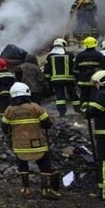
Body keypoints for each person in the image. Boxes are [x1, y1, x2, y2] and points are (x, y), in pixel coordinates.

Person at [1, 82, 61, 199]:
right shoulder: (35, 107)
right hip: (37, 143)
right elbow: (46, 124)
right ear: (27, 93)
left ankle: (26, 189)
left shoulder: (9, 110)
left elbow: (4, 127)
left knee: (22, 164)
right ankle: (46, 190)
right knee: (44, 164)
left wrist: (10, 136)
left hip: (20, 144)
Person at [43, 38, 80, 117]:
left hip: (56, 80)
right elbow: (75, 66)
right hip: (69, 79)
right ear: (63, 45)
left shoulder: (49, 56)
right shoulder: (70, 54)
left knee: (59, 96)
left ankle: (62, 113)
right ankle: (78, 110)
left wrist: (48, 79)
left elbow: (46, 69)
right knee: (73, 94)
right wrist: (76, 77)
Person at [83, 70, 105, 200]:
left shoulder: (102, 94)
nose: (96, 86)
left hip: (103, 134)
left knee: (104, 163)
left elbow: (92, 112)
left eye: (96, 83)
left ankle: (103, 193)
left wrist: (86, 107)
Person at [75, 36, 105, 105]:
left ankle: (84, 112)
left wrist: (77, 80)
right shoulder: (99, 55)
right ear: (95, 44)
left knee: (84, 98)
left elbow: (76, 69)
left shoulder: (79, 55)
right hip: (95, 83)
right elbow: (103, 68)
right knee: (94, 98)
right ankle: (92, 112)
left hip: (83, 82)